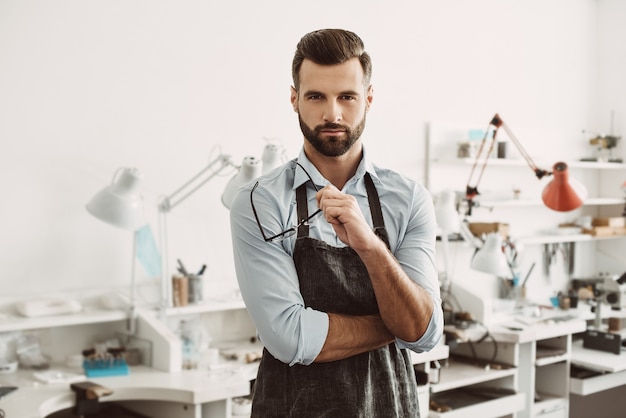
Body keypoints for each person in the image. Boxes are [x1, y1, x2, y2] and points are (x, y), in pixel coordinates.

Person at [229, 28, 443, 417]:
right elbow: (291, 336)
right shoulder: (258, 202)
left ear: (369, 98)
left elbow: (426, 335)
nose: (332, 114)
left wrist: (371, 247)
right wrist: (396, 325)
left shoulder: (408, 199)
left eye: (347, 96)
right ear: (294, 99)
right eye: (316, 97)